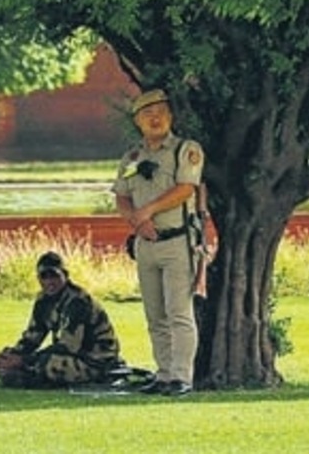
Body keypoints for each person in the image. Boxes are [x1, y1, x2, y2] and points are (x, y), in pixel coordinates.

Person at [112, 88, 204, 396]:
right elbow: (121, 196)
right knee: (155, 315)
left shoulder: (185, 150)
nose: (155, 118)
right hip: (145, 243)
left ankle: (182, 377)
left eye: (161, 111)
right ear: (138, 121)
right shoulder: (132, 157)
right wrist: (138, 222)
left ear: (171, 115)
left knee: (179, 312)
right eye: (147, 113)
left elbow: (186, 189)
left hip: (177, 241)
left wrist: (148, 210)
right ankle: (164, 374)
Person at [0, 251, 123, 389]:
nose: (49, 282)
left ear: (65, 276)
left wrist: (24, 361)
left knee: (47, 364)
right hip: (71, 357)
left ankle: (30, 379)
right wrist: (12, 355)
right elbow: (33, 336)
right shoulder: (43, 301)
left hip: (96, 360)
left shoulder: (78, 302)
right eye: (44, 276)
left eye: (54, 276)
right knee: (13, 361)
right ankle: (28, 377)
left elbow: (69, 346)